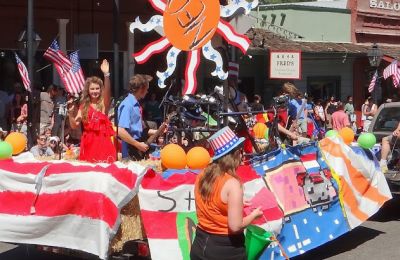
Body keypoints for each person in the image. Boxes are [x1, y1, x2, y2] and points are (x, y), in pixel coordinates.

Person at [191, 127, 262, 260]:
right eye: (240, 151)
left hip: (200, 244)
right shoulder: (232, 184)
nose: (242, 155)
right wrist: (254, 215)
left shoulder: (202, 175)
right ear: (234, 155)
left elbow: (212, 204)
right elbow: (235, 226)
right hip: (225, 249)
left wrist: (235, 203)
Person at [68, 59, 116, 163]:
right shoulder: (84, 106)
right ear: (88, 91)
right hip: (88, 144)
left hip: (103, 143)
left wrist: (106, 75)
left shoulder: (104, 104)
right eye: (92, 89)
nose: (95, 91)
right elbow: (74, 125)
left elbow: (107, 92)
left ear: (101, 89)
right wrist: (70, 114)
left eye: (97, 89)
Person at [117, 74, 159, 160]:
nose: (147, 92)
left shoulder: (135, 104)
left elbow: (137, 130)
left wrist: (158, 131)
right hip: (130, 150)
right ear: (141, 89)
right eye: (146, 89)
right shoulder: (128, 105)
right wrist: (138, 144)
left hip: (136, 147)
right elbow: (120, 131)